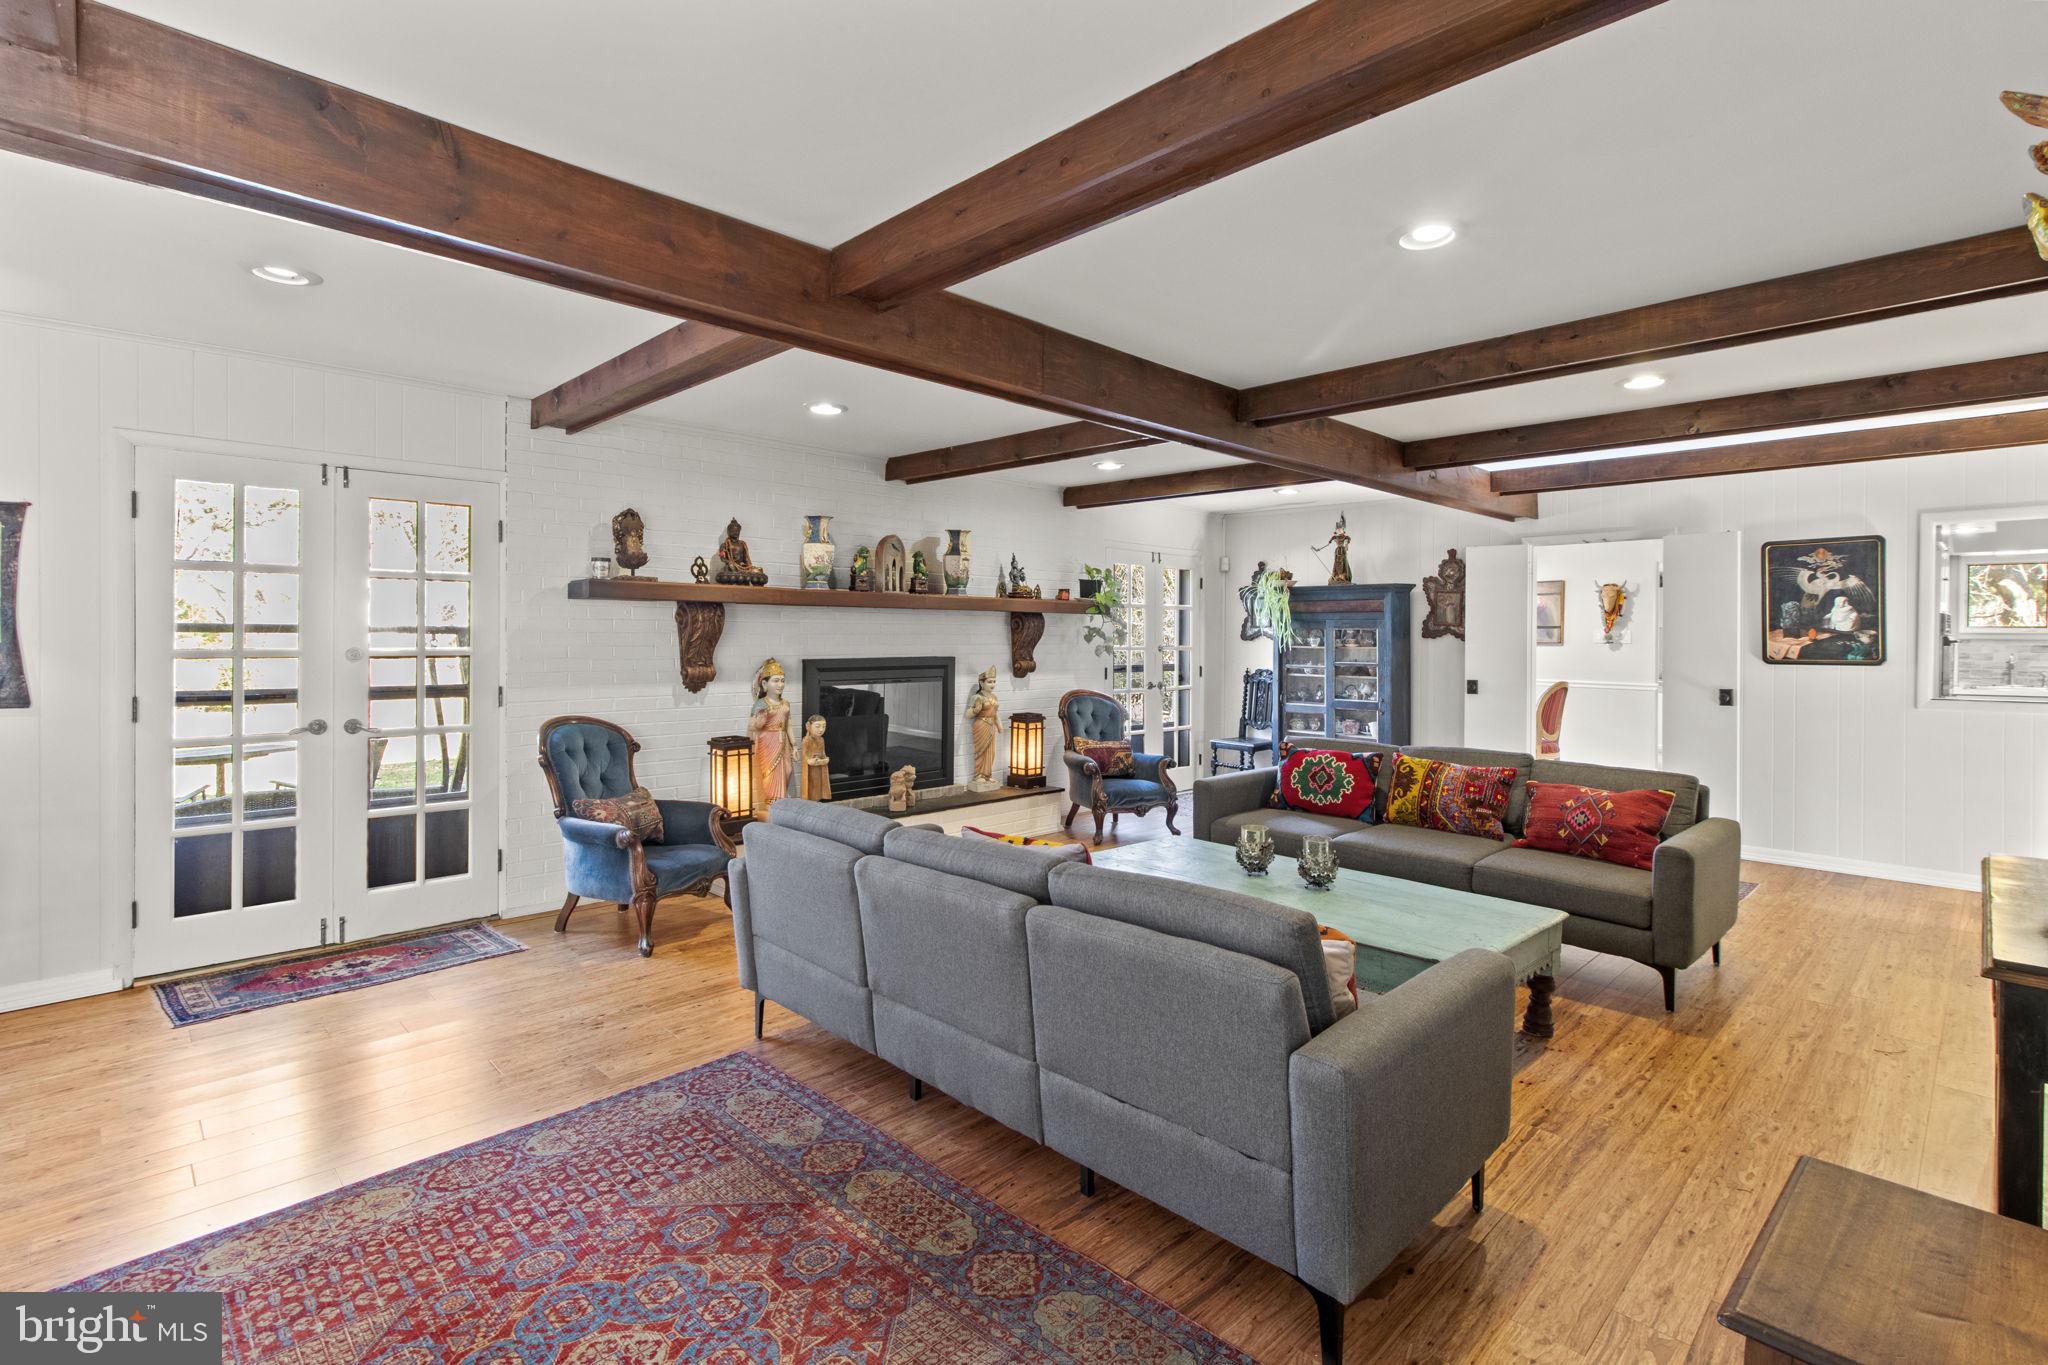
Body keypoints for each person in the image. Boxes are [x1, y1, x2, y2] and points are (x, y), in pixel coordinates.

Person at [748, 658, 795, 805]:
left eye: (782, 680)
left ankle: (782, 803)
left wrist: (795, 746)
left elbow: (788, 725)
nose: (780, 684)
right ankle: (771, 804)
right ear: (764, 684)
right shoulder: (760, 704)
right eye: (775, 681)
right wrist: (760, 720)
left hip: (784, 743)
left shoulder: (785, 703)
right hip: (767, 743)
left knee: (787, 771)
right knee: (769, 774)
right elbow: (753, 726)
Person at [966, 666, 1000, 785]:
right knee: (980, 751)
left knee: (991, 752)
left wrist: (999, 726)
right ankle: (978, 774)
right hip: (981, 725)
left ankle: (987, 774)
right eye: (989, 682)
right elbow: (968, 715)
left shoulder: (994, 697)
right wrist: (976, 710)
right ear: (981, 682)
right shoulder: (977, 697)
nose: (992, 684)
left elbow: (996, 714)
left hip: (992, 726)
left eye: (994, 681)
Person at [800, 714, 832, 801]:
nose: (821, 729)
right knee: (812, 788)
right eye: (817, 726)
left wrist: (825, 760)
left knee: (818, 788)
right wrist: (812, 761)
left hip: (819, 770)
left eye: (824, 726)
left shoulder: (821, 740)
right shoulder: (806, 740)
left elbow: (823, 754)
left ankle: (817, 802)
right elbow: (806, 758)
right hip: (810, 771)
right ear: (808, 726)